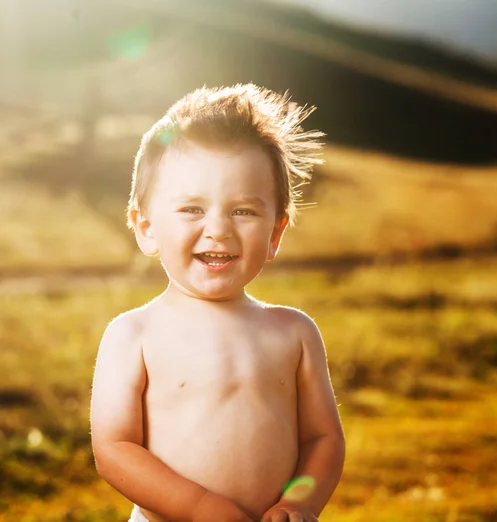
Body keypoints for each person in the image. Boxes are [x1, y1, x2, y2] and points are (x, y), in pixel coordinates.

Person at [90, 84, 346, 522]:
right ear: (147, 227)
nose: (218, 230)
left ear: (275, 234)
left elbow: (323, 439)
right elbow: (114, 449)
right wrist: (200, 507)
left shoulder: (294, 333)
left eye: (243, 212)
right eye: (192, 209)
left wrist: (298, 504)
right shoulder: (134, 334)